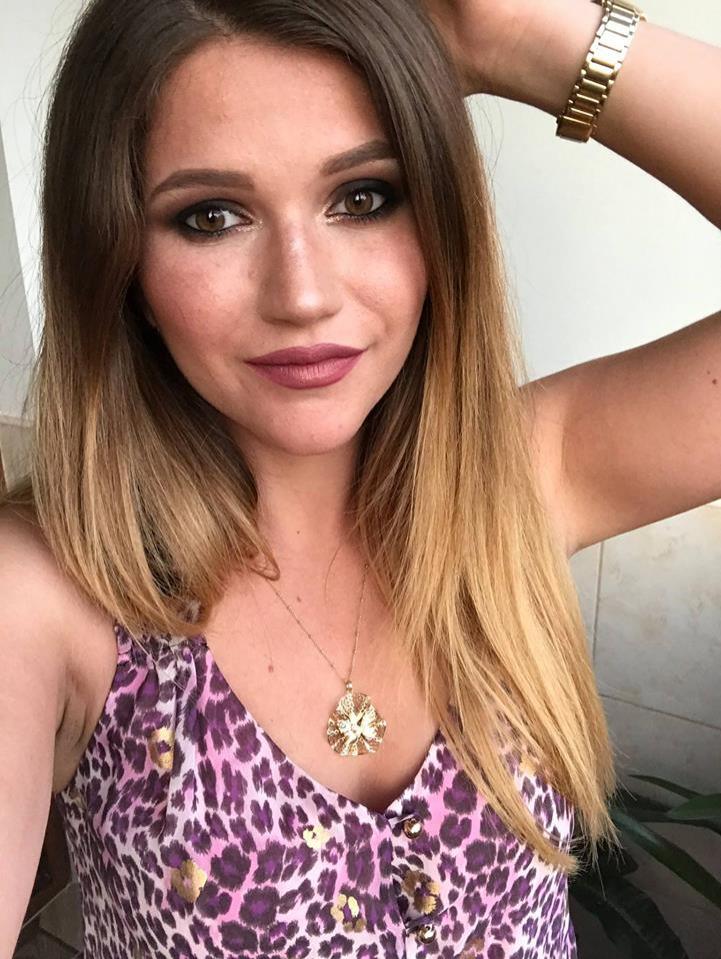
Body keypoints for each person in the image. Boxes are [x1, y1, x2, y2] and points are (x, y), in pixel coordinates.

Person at [1, 0, 719, 955]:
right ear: (120, 263)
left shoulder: (518, 481)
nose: (303, 294)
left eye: (364, 197)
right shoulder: (48, 592)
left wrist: (514, 35)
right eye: (210, 216)